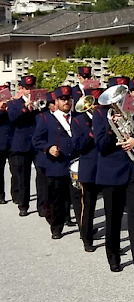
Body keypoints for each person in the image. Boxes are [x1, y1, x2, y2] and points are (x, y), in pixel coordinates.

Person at [93, 86, 134, 275]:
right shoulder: (100, 114)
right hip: (112, 172)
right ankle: (113, 258)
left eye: (121, 97)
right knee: (113, 217)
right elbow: (101, 146)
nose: (119, 102)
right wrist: (114, 130)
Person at [32, 86, 81, 239]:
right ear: (56, 101)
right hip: (56, 163)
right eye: (63, 99)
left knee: (79, 198)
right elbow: (36, 140)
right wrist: (48, 148)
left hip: (76, 164)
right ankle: (57, 227)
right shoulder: (46, 118)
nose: (66, 102)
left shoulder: (79, 117)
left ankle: (84, 229)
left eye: (68, 99)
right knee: (57, 198)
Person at [71, 88, 102, 252]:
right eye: (93, 102)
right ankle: (87, 238)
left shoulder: (106, 117)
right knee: (88, 206)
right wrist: (91, 133)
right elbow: (77, 146)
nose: (96, 106)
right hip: (89, 168)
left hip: (106, 168)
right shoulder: (77, 121)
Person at [7, 75, 38, 216]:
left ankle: (43, 206)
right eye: (26, 88)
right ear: (21, 88)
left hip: (37, 144)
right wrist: (25, 107)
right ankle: (23, 205)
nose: (29, 90)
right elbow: (12, 119)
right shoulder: (14, 104)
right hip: (21, 145)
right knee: (23, 177)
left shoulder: (39, 102)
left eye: (31, 88)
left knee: (42, 176)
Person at [34, 92, 55, 219]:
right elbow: (38, 138)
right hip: (44, 155)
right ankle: (42, 207)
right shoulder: (43, 117)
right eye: (52, 103)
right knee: (43, 186)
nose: (55, 105)